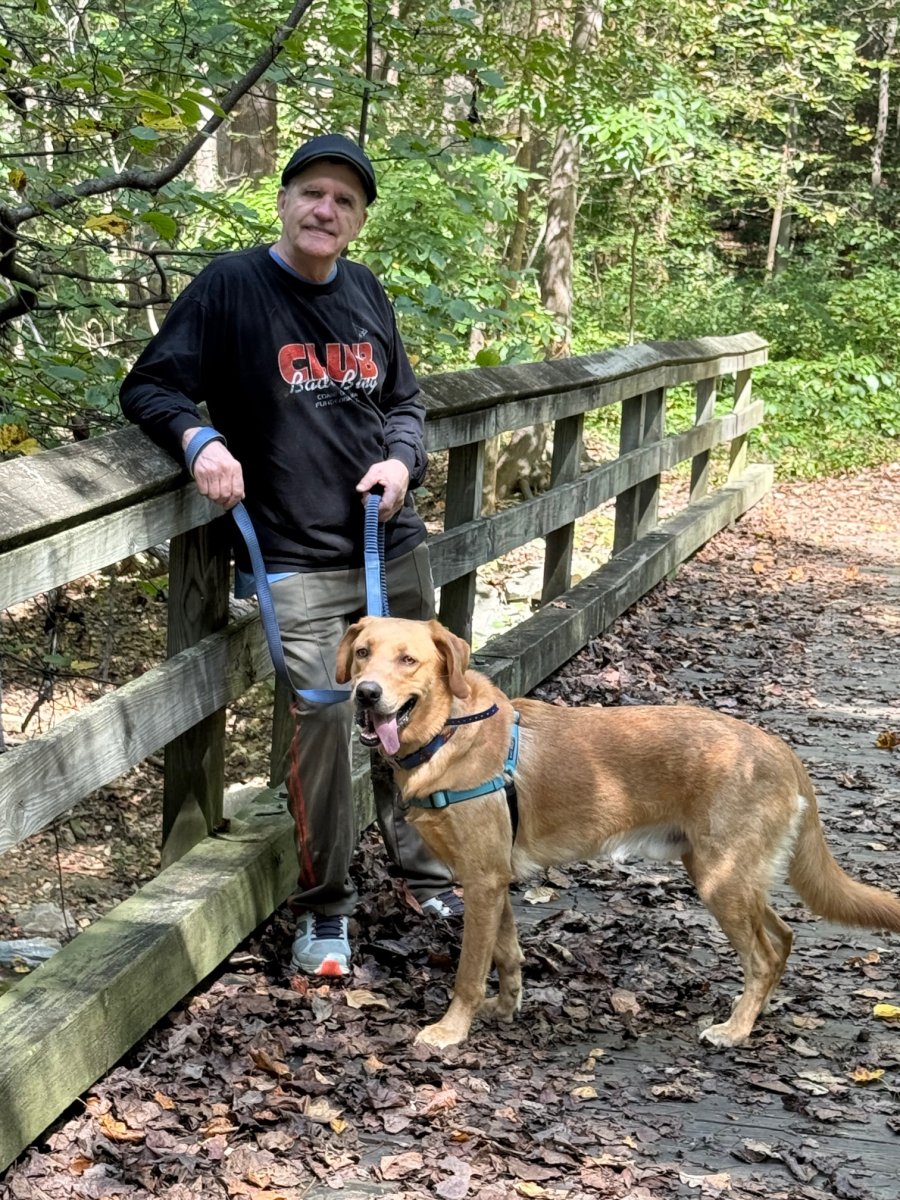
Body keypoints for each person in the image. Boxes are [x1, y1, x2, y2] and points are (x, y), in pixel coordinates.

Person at [120, 132, 461, 977]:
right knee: (323, 726)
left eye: (345, 201)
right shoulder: (233, 287)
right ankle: (326, 910)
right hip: (296, 560)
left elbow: (405, 403)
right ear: (283, 200)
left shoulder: (366, 292)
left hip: (389, 547)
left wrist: (402, 461)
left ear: (358, 222)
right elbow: (149, 384)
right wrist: (197, 437)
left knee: (420, 712)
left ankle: (426, 866)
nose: (326, 210)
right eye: (313, 192)